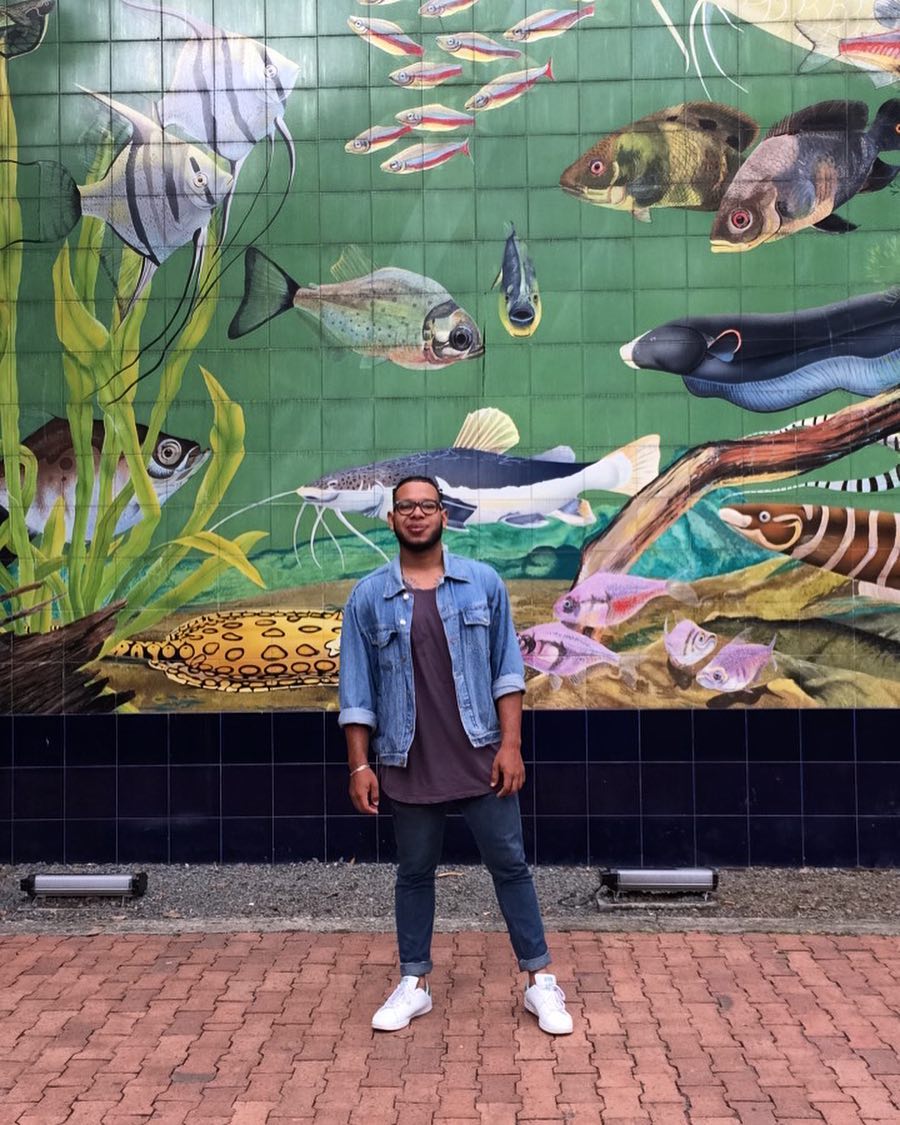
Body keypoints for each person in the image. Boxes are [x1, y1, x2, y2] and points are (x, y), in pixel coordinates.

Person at [338, 474, 572, 1036]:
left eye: (427, 506)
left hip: (481, 756)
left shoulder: (482, 584)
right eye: (406, 507)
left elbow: (507, 672)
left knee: (510, 866)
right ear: (391, 519)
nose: (416, 514)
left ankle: (540, 981)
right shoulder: (368, 598)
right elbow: (356, 690)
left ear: (444, 516)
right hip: (407, 757)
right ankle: (414, 983)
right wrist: (360, 764)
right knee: (414, 872)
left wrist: (511, 746)